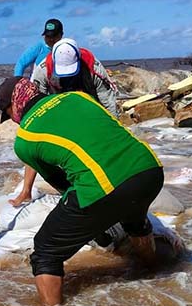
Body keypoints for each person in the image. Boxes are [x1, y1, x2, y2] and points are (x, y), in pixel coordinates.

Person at [0, 77, 164, 306]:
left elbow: (62, 183)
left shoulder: (24, 140)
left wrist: (91, 221)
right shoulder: (77, 96)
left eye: (9, 115)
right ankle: (159, 276)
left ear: (14, 105)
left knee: (46, 250)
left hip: (105, 186)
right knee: (134, 220)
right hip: (149, 171)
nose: (14, 121)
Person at [11, 38, 119, 207]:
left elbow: (109, 110)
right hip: (56, 104)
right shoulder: (43, 71)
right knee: (35, 143)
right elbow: (33, 117)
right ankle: (30, 192)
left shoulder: (94, 68)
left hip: (88, 106)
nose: (66, 78)